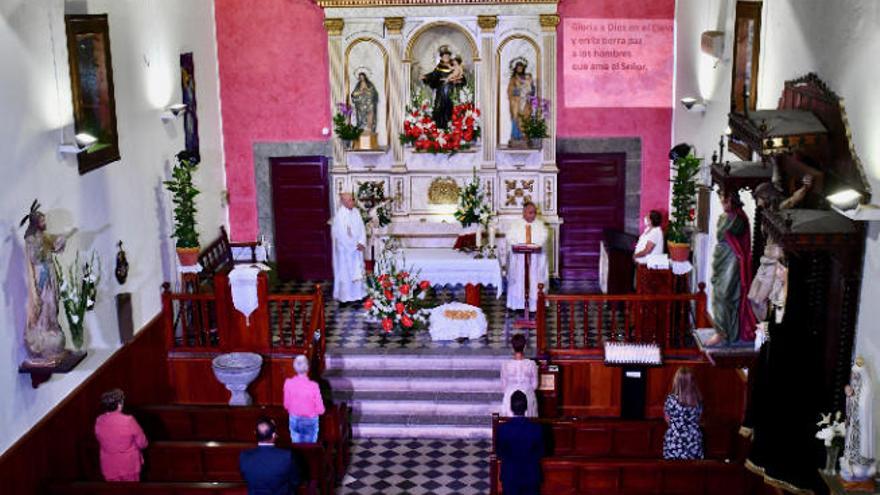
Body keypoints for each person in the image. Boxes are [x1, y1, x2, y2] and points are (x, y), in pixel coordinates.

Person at [21, 200, 72, 361]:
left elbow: (55, 247)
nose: (45, 223)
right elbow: (35, 257)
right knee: (46, 302)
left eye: (44, 220)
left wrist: (63, 238)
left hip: (50, 273)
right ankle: (45, 329)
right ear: (36, 223)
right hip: (42, 274)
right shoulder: (31, 240)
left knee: (54, 301)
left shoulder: (44, 236)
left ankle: (52, 327)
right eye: (42, 221)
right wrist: (44, 250)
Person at [706, 190, 756, 346]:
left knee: (726, 296)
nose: (723, 204)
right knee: (717, 295)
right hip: (721, 257)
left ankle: (726, 332)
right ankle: (722, 331)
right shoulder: (723, 217)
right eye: (721, 201)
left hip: (733, 259)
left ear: (733, 201)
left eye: (725, 201)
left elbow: (726, 235)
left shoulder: (739, 219)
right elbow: (721, 236)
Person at [93, 389, 148, 482]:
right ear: (119, 404)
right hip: (129, 464)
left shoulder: (99, 420)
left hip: (109, 465)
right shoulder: (128, 420)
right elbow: (142, 442)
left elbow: (99, 438)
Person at [496, 391, 544, 495]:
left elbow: (499, 453)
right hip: (531, 475)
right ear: (526, 407)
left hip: (510, 476)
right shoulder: (536, 428)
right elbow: (541, 452)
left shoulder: (503, 429)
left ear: (511, 408)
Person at [505, 202, 549, 312]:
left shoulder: (540, 224)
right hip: (519, 258)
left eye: (534, 212)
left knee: (535, 279)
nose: (533, 215)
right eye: (530, 212)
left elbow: (544, 236)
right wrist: (520, 245)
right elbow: (510, 237)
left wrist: (535, 245)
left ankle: (535, 305)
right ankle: (518, 304)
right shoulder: (515, 224)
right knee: (519, 279)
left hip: (535, 259)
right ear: (524, 212)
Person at [239, 417, 300, 495]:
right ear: (274, 435)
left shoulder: (244, 456)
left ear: (255, 433)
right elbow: (295, 481)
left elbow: (245, 478)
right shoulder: (287, 456)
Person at [839, 357, 876, 481]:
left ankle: (861, 466)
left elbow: (864, 406)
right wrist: (849, 396)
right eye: (853, 373)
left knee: (861, 445)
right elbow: (851, 402)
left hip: (861, 425)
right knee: (852, 444)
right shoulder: (855, 385)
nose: (854, 375)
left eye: (856, 373)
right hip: (854, 423)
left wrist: (852, 396)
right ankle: (852, 465)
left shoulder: (867, 388)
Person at [332, 192, 367, 303]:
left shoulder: (356, 212)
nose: (352, 202)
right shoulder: (340, 216)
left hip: (357, 250)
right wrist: (354, 245)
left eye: (352, 199)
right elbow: (341, 235)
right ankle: (346, 297)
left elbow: (362, 228)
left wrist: (362, 242)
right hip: (346, 251)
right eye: (349, 200)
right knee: (346, 273)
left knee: (358, 270)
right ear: (343, 202)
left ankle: (358, 294)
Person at [663, 367, 704, 460]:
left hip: (674, 441)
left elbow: (667, 420)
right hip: (694, 441)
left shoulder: (671, 400)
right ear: (692, 382)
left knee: (673, 471)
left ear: (676, 381)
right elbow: (699, 419)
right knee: (692, 471)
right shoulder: (698, 400)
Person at [421, 45, 465, 130]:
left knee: (451, 108)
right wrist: (426, 77)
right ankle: (439, 128)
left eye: (448, 56)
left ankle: (451, 128)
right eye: (444, 56)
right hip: (441, 92)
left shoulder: (454, 66)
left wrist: (456, 81)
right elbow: (433, 76)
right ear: (441, 57)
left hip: (451, 92)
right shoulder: (439, 67)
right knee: (439, 108)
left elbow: (461, 77)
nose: (446, 57)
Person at [283, 355, 325, 443]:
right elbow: (321, 410)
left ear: (294, 367)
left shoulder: (288, 383)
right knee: (309, 450)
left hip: (294, 418)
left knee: (297, 449)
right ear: (308, 368)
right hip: (310, 420)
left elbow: (286, 405)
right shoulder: (313, 386)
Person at [500, 333, 538, 417]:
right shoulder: (531, 364)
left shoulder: (505, 364)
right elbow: (535, 385)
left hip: (510, 395)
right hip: (527, 394)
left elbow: (503, 386)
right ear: (525, 347)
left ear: (512, 347)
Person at [507, 58, 536, 145]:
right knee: (516, 118)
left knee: (526, 118)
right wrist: (518, 91)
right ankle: (516, 136)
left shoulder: (527, 77)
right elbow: (510, 91)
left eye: (521, 67)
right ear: (516, 68)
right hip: (516, 103)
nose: (520, 69)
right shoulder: (513, 79)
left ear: (523, 68)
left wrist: (529, 91)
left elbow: (532, 90)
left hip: (525, 103)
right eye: (518, 67)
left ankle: (525, 136)